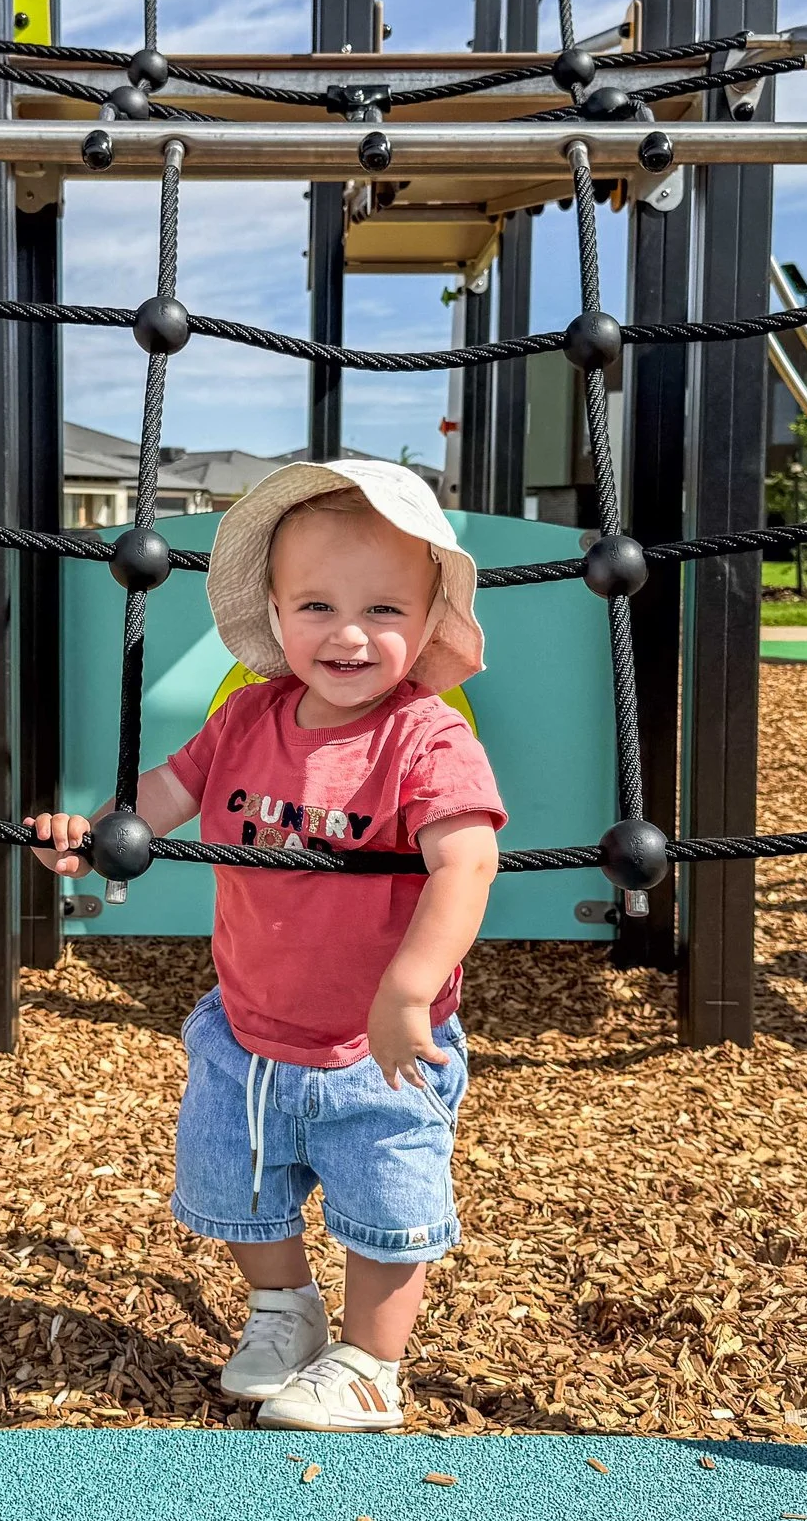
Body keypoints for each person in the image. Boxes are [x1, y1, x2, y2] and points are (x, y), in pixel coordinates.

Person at [28, 459, 502, 1431]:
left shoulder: (424, 738)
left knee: (385, 1215)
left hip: (378, 1047)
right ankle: (282, 1309)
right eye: (317, 604)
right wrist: (103, 832)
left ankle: (372, 1365)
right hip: (244, 1030)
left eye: (382, 607)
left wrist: (407, 991)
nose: (349, 632)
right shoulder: (246, 713)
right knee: (237, 1193)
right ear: (275, 613)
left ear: (424, 622)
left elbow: (467, 863)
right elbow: (170, 789)